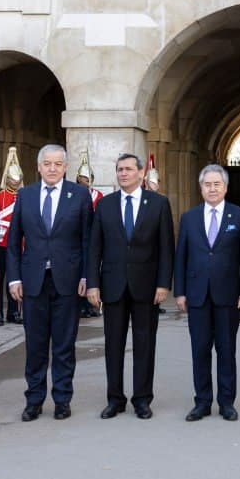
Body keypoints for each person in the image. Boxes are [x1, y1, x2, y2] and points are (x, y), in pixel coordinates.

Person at [6, 144, 92, 421]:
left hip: (67, 281)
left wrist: (86, 276)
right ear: (39, 166)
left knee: (64, 345)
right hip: (33, 281)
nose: (52, 169)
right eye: (47, 164)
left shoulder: (79, 195)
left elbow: (88, 241)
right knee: (35, 344)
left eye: (58, 164)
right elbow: (13, 241)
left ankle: (62, 399)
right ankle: (34, 399)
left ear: (65, 167)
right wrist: (14, 278)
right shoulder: (26, 195)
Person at [87, 153, 174, 419]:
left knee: (145, 344)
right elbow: (94, 248)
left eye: (128, 169)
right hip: (112, 285)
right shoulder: (106, 205)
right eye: (119, 169)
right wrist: (93, 284)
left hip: (146, 286)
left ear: (140, 173)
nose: (123, 173)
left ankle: (142, 399)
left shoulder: (158, 204)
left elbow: (166, 248)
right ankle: (115, 399)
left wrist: (163, 284)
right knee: (113, 344)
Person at [174, 165, 240, 421]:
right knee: (200, 350)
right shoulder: (189, 218)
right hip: (196, 295)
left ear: (225, 187)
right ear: (201, 188)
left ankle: (227, 402)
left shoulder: (239, 216)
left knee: (226, 349)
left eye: (217, 184)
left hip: (228, 294)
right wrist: (180, 292)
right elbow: (181, 257)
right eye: (207, 184)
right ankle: (202, 402)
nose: (212, 188)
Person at [0, 146, 24, 326]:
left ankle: (14, 311)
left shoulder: (24, 196)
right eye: (12, 178)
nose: (15, 181)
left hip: (17, 244)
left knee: (15, 279)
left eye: (17, 178)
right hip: (0, 244)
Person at [75, 150, 102, 318]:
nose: (86, 181)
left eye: (88, 178)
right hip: (78, 237)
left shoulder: (97, 195)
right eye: (83, 178)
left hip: (93, 236)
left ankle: (91, 304)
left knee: (91, 271)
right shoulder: (75, 194)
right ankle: (81, 305)